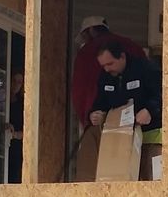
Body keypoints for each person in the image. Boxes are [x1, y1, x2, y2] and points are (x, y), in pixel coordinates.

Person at [69, 16, 147, 181]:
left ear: (91, 31)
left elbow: (80, 90)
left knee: (92, 170)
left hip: (100, 122)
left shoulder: (86, 53)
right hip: (136, 122)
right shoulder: (132, 46)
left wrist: (89, 117)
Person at [90, 39, 162, 180]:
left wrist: (149, 110)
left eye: (110, 64)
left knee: (153, 178)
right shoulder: (105, 77)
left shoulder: (145, 68)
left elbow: (163, 94)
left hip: (151, 136)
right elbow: (101, 102)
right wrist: (95, 113)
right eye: (103, 66)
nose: (107, 69)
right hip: (122, 139)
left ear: (122, 56)